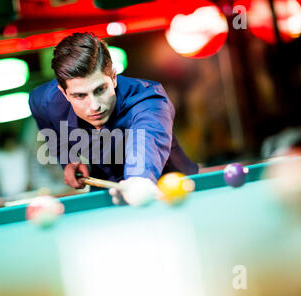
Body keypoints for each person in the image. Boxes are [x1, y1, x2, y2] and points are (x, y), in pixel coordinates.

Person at [29, 32, 198, 204]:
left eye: (100, 89)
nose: (94, 106)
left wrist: (138, 179)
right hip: (107, 195)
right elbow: (39, 110)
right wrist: (68, 160)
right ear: (64, 93)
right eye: (80, 95)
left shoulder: (148, 102)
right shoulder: (47, 102)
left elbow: (146, 141)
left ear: (114, 78)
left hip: (168, 194)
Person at [0, 131, 29, 200]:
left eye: (12, 142)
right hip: (5, 194)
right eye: (8, 142)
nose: (11, 144)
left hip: (25, 192)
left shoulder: (22, 153)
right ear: (3, 144)